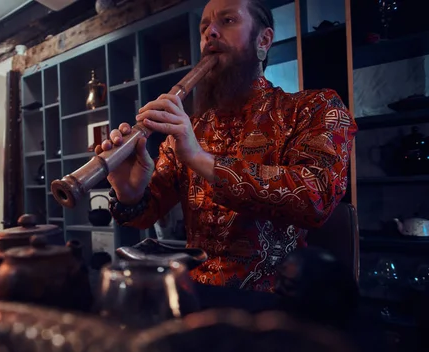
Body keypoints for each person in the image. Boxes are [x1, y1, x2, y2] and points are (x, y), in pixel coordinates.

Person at [96, 0, 358, 292]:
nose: (211, 33)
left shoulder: (314, 108)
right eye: (204, 26)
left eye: (228, 21)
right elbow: (145, 213)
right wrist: (129, 192)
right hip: (194, 294)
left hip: (276, 298)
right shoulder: (189, 129)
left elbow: (316, 197)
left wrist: (199, 158)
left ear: (264, 39)